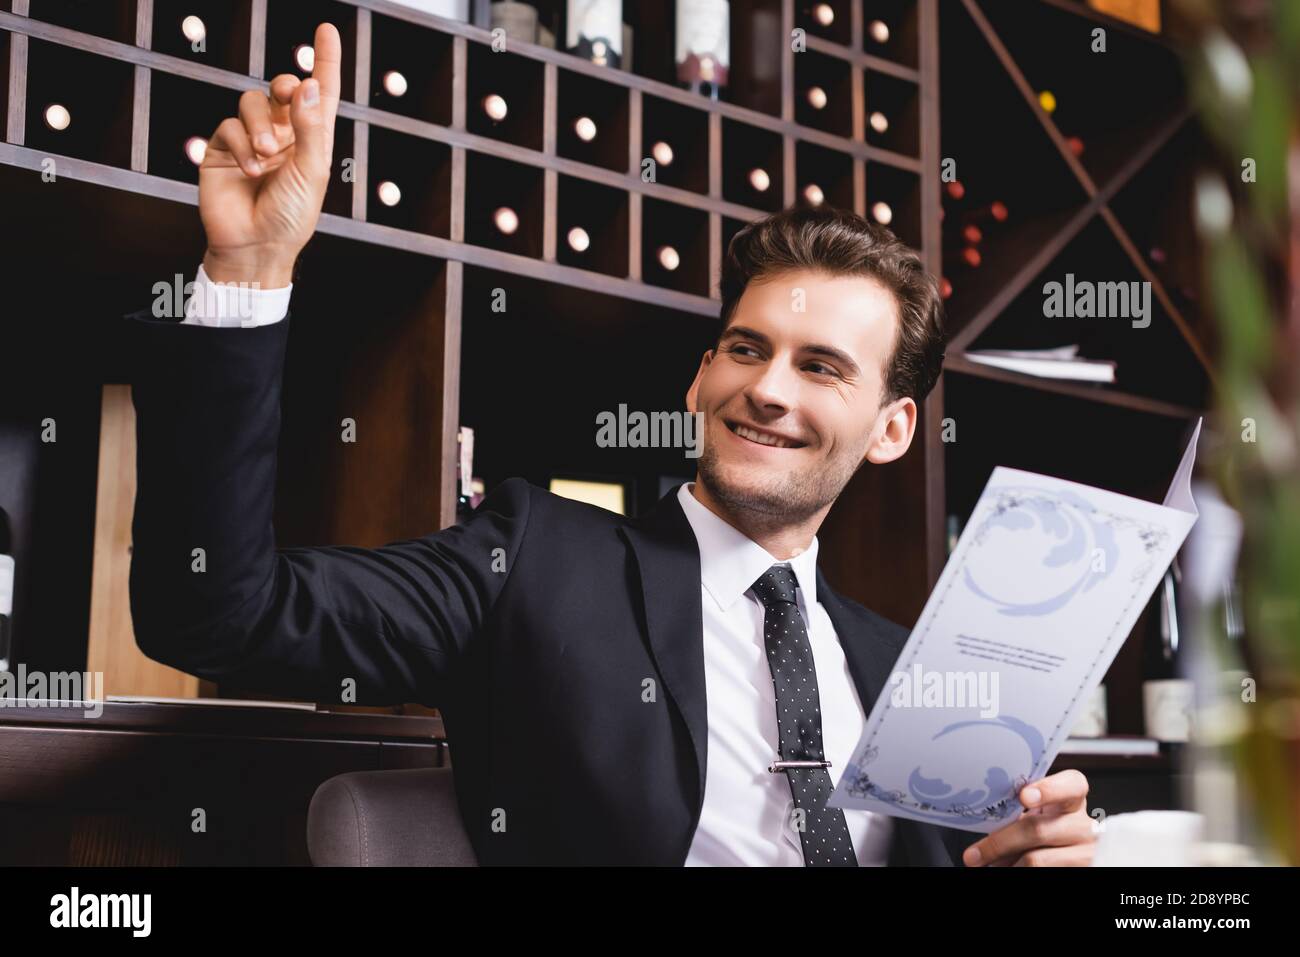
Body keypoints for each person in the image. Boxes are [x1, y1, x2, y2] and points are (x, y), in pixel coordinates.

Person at [126, 23, 1097, 866]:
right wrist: (246, 274)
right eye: (745, 349)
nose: (764, 387)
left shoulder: (906, 672)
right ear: (699, 377)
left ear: (892, 430)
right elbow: (217, 616)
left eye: (821, 367)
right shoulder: (529, 562)